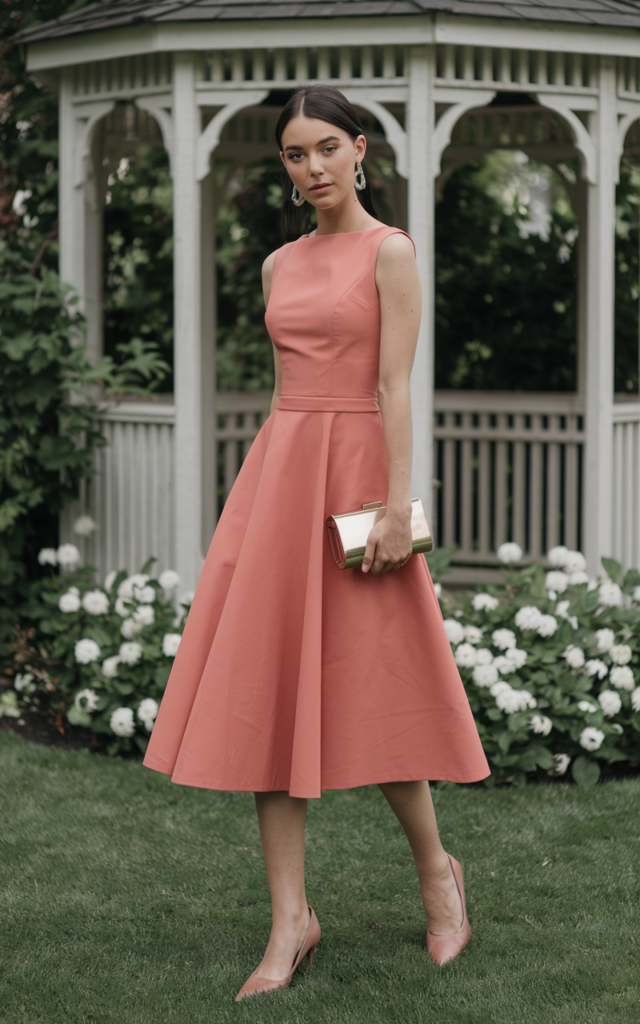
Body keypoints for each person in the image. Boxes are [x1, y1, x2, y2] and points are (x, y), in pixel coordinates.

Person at [143, 84, 490, 1002]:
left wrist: (395, 506)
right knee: (268, 694)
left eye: (327, 147)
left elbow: (395, 387)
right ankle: (291, 921)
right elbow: (283, 391)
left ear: (361, 148)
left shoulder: (391, 251)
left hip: (360, 489)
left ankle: (438, 879)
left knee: (384, 692)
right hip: (282, 477)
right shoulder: (276, 265)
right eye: (296, 154)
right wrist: (260, 497)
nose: (312, 167)